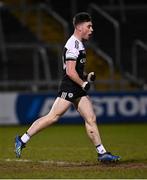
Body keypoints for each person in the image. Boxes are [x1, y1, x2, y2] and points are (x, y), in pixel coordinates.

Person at [15, 12, 120, 162]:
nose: (91, 29)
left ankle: (102, 153)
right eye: (89, 26)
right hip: (70, 86)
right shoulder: (73, 45)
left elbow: (75, 70)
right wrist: (83, 83)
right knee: (52, 117)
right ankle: (22, 139)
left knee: (91, 118)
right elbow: (70, 72)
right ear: (79, 27)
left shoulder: (79, 44)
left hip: (76, 86)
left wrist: (86, 76)